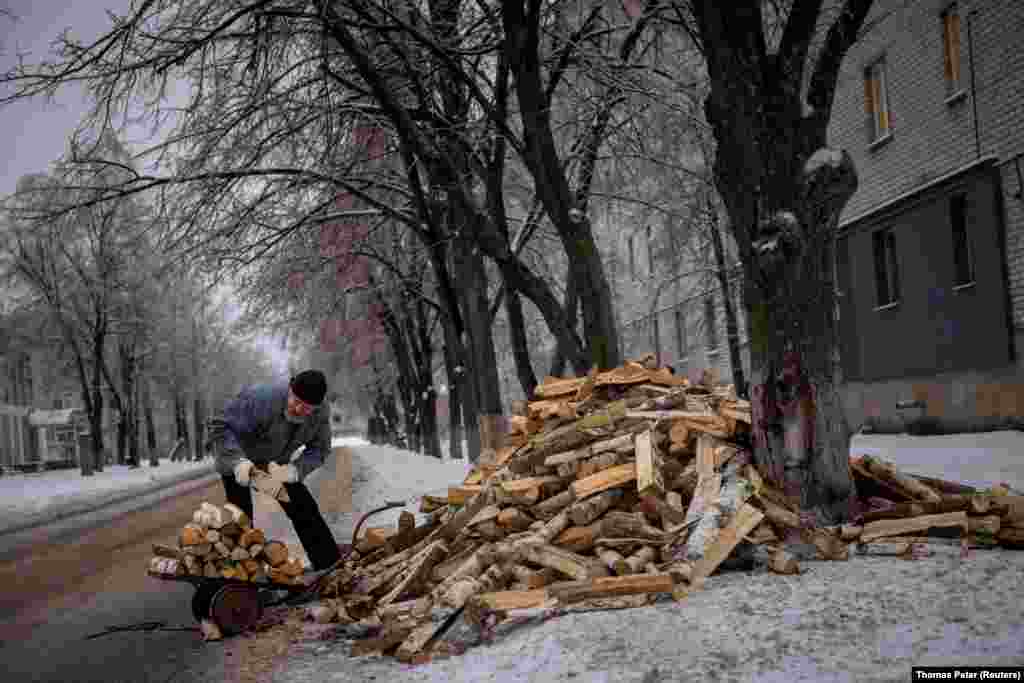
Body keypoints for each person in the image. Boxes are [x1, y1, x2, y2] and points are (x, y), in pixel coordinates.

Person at [207, 370, 343, 579]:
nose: (299, 409)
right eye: (296, 401)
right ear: (290, 390)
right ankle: (242, 579)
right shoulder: (260, 398)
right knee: (241, 521)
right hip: (239, 461)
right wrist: (237, 462)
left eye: (307, 408)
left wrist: (296, 470)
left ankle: (329, 566)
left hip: (274, 466)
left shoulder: (320, 413)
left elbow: (320, 449)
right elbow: (219, 425)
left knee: (303, 507)